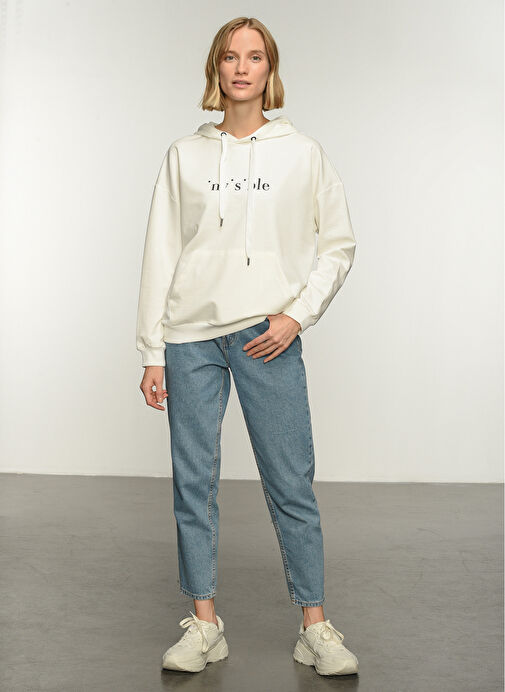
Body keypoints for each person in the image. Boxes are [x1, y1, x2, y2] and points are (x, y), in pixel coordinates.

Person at [136, 16, 359, 677]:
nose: (241, 68)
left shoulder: (302, 152)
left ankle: (315, 629)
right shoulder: (184, 155)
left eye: (254, 57)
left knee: (290, 481)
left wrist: (296, 316)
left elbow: (338, 244)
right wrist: (152, 349)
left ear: (269, 69)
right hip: (190, 336)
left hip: (267, 334)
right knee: (193, 483)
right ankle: (204, 624)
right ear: (216, 68)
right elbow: (160, 252)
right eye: (230, 57)